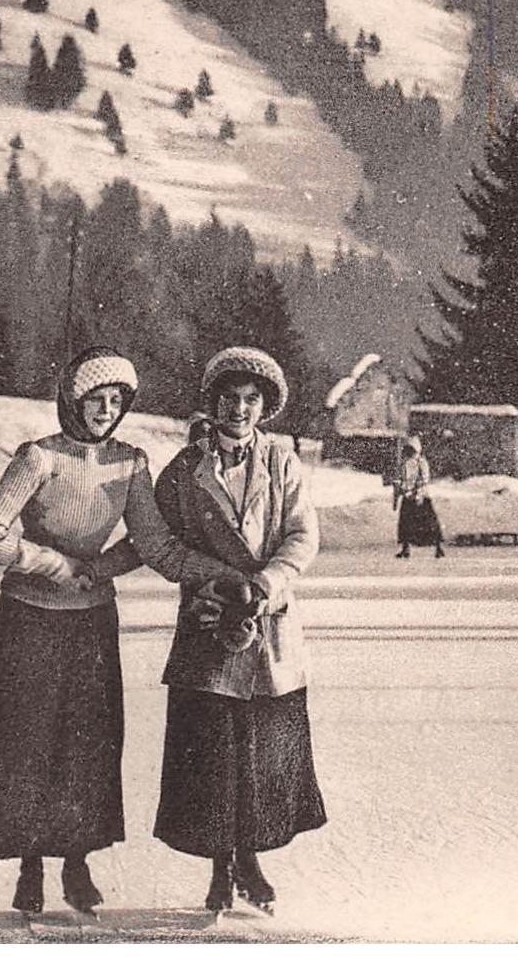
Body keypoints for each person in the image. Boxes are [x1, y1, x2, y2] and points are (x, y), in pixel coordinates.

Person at [0, 347, 241, 919]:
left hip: (92, 621)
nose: (106, 411)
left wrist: (214, 573)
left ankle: (77, 862)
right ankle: (30, 866)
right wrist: (52, 564)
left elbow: (154, 544)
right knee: (29, 740)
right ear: (73, 399)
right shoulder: (38, 458)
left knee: (90, 742)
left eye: (117, 402)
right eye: (97, 400)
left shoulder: (130, 463)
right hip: (28, 620)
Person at [151, 346, 327, 916]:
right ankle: (219, 869)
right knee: (212, 755)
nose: (240, 409)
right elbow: (166, 546)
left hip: (270, 628)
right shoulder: (182, 471)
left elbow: (302, 536)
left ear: (265, 407)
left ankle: (250, 859)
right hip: (209, 625)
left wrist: (268, 583)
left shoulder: (282, 463)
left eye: (252, 400)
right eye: (230, 397)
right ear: (213, 401)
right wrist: (217, 581)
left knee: (261, 754)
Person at [394, 435, 444, 559]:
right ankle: (405, 548)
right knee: (406, 524)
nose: (407, 452)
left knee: (428, 524)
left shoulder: (421, 462)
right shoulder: (404, 463)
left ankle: (438, 547)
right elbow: (402, 479)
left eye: (409, 449)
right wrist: (400, 489)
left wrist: (419, 494)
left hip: (420, 497)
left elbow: (424, 480)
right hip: (408, 496)